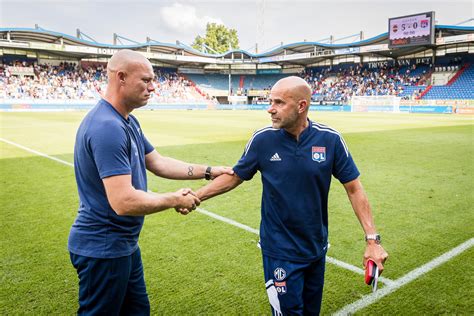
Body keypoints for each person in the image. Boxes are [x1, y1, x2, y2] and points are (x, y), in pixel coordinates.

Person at [194, 76, 388, 315]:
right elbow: (236, 176)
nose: (270, 109)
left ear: (301, 106)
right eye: (270, 101)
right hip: (279, 251)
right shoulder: (262, 139)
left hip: (316, 247)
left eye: (278, 102)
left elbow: (354, 188)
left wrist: (372, 240)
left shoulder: (330, 139)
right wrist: (196, 196)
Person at [68, 49, 233, 315]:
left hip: (122, 245)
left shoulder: (127, 121)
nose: (153, 87)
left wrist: (209, 170)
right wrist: (174, 199)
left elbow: (158, 162)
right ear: (121, 77)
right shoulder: (107, 127)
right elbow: (123, 201)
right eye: (146, 80)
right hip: (104, 247)